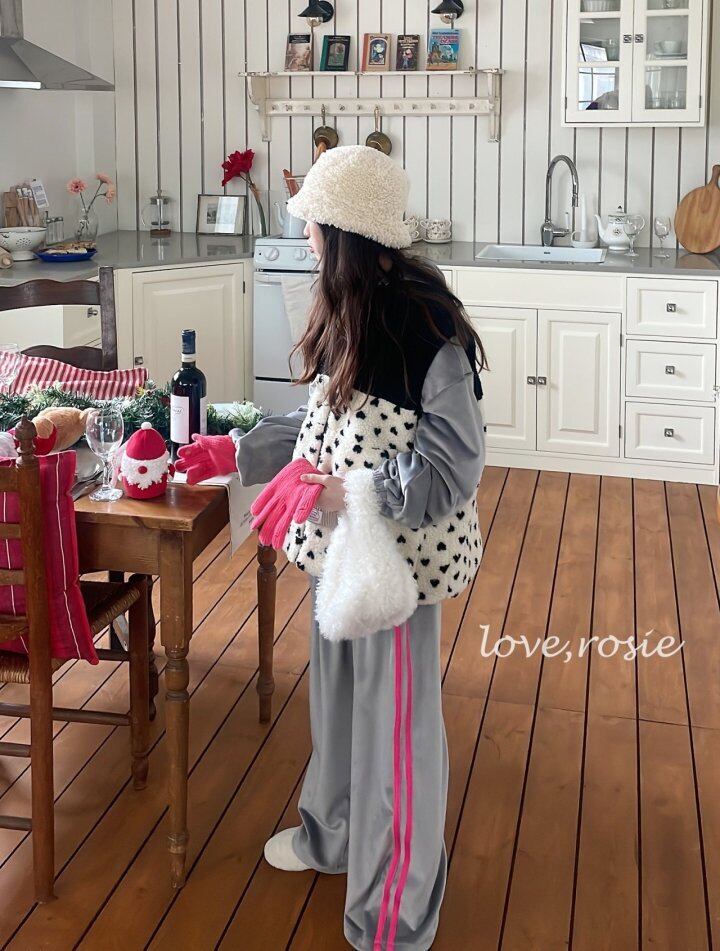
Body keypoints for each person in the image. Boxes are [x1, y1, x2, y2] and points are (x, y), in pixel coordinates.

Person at [175, 145, 487, 951]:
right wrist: (235, 449)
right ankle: (333, 835)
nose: (305, 233)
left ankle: (396, 915)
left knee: (397, 738)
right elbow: (320, 425)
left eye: (312, 220)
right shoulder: (348, 305)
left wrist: (350, 494)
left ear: (343, 229)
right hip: (338, 554)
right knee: (339, 706)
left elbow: (453, 469)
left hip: (397, 571)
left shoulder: (426, 328)